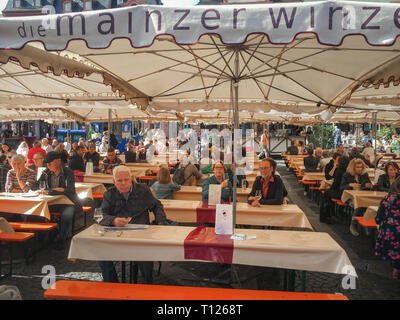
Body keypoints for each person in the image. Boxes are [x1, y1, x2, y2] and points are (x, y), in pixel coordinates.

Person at [98, 166, 168, 283]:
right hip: (117, 236)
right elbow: (100, 215)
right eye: (120, 181)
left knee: (145, 259)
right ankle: (112, 285)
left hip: (141, 235)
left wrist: (160, 221)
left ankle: (147, 285)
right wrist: (113, 220)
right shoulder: (109, 194)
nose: (124, 183)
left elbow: (157, 206)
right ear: (114, 182)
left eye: (127, 179)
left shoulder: (143, 190)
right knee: (101, 253)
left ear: (131, 179)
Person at [33, 152, 82, 250]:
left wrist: (51, 191)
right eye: (47, 163)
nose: (48, 165)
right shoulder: (46, 172)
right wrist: (58, 190)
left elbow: (70, 191)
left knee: (67, 214)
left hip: (69, 202)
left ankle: (62, 238)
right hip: (51, 203)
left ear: (58, 161)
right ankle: (48, 233)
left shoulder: (68, 172)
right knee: (39, 212)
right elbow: (35, 186)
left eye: (50, 163)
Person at [375, 176, 400, 279]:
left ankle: (395, 268)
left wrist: (379, 221)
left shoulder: (388, 198)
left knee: (395, 249)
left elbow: (379, 216)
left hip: (390, 231)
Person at [340, 158, 373, 236]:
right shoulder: (347, 175)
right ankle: (353, 225)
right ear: (353, 167)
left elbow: (368, 186)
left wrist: (368, 185)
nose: (359, 169)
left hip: (362, 196)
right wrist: (349, 185)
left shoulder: (364, 175)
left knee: (369, 206)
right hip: (349, 197)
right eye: (357, 167)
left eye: (361, 167)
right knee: (358, 206)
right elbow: (341, 187)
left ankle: (366, 224)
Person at [320, 156, 349, 224]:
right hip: (346, 193)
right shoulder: (348, 171)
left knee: (326, 193)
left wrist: (329, 189)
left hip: (340, 193)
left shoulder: (340, 171)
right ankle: (333, 212)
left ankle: (326, 216)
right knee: (328, 193)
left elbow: (335, 184)